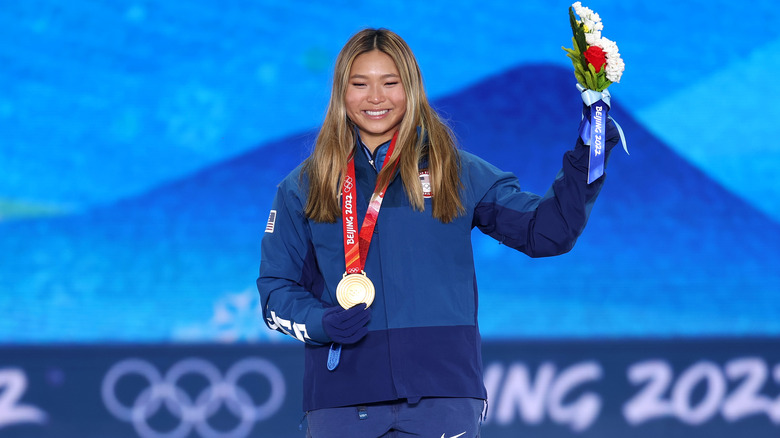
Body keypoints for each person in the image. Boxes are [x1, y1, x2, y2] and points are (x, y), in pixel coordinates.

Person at [257, 28, 619, 438]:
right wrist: (322, 322)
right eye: (360, 84)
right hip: (342, 400)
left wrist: (590, 152)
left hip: (441, 400)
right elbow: (275, 292)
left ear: (411, 89)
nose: (376, 97)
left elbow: (548, 233)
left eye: (390, 83)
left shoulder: (455, 172)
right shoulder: (305, 185)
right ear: (341, 93)